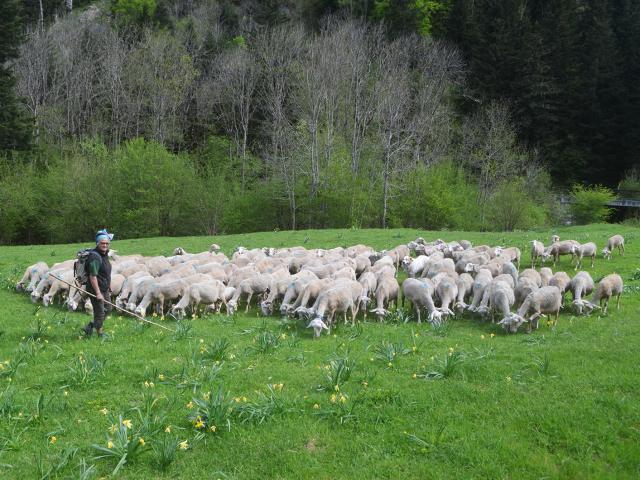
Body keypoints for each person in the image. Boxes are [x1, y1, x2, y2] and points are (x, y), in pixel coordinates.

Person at [82, 229, 114, 337]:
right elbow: (93, 276)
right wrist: (98, 293)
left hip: (104, 287)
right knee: (100, 312)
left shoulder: (104, 254)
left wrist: (108, 285)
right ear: (97, 243)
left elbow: (105, 272)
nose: (105, 245)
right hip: (95, 288)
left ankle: (91, 326)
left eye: (106, 243)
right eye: (102, 243)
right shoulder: (95, 257)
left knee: (108, 309)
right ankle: (100, 333)